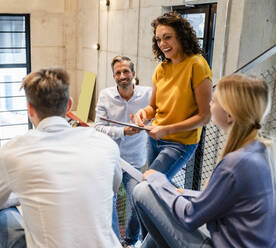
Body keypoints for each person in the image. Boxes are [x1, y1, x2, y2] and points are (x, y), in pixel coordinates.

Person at [0, 68, 123, 248]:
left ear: (30, 109)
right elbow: (115, 185)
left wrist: (25, 192)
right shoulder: (104, 143)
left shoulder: (12, 151)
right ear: (69, 105)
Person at [133, 74, 276, 247]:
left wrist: (159, 180)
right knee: (163, 204)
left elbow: (190, 216)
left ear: (229, 115)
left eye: (214, 101)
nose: (210, 104)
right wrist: (177, 192)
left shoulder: (234, 164)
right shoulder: (259, 151)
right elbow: (217, 199)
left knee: (142, 190)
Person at [134, 12, 212, 180]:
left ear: (181, 36)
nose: (162, 44)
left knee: (147, 185)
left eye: (167, 37)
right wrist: (144, 113)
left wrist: (166, 130)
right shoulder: (161, 68)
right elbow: (153, 108)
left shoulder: (196, 65)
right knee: (155, 191)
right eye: (158, 39)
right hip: (154, 139)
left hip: (180, 143)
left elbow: (205, 117)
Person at [95, 56, 152, 247]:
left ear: (133, 74)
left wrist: (145, 125)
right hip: (110, 160)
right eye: (118, 72)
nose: (122, 75)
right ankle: (112, 242)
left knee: (138, 201)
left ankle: (129, 241)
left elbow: (157, 118)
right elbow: (98, 127)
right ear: (114, 76)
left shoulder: (148, 95)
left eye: (126, 71)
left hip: (135, 161)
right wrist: (123, 131)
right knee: (107, 202)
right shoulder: (105, 95)